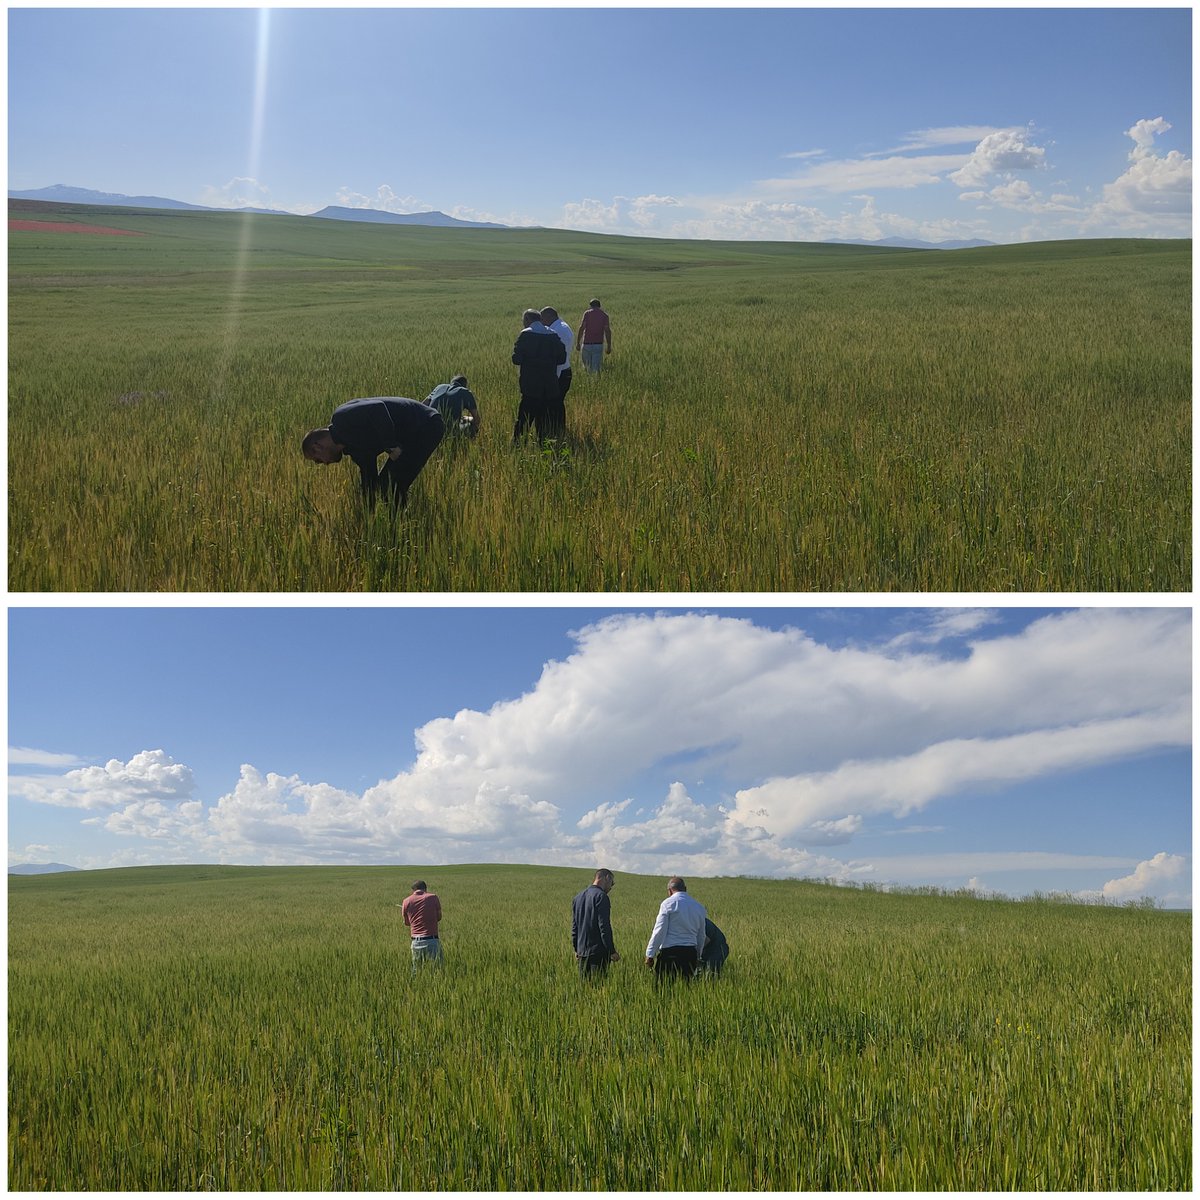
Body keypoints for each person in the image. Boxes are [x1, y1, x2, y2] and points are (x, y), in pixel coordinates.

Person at [302, 397, 445, 508]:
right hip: (411, 435)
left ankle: (399, 533)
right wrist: (366, 512)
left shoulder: (341, 418)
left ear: (317, 447)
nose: (325, 463)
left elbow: (378, 409)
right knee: (385, 485)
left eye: (318, 460)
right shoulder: (353, 449)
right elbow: (369, 480)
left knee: (389, 486)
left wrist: (390, 447)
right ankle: (396, 530)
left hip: (426, 425)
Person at [511, 308, 566, 442]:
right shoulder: (553, 335)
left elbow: (516, 359)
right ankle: (543, 444)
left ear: (527, 320)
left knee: (524, 418)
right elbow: (562, 359)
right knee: (544, 419)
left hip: (530, 385)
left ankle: (518, 444)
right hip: (549, 386)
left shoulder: (525, 335)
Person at [644, 876, 707, 981]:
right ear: (685, 889)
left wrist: (650, 954)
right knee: (686, 989)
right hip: (690, 953)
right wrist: (698, 956)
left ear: (669, 891)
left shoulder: (668, 904)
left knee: (663, 988)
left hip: (670, 954)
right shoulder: (699, 907)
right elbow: (701, 935)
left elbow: (659, 931)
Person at [571, 868, 620, 978]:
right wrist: (612, 951)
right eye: (611, 884)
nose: (610, 888)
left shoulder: (577, 898)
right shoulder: (601, 897)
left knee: (584, 989)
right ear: (606, 878)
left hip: (582, 953)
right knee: (598, 988)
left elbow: (575, 928)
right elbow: (604, 927)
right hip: (598, 954)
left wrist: (576, 949)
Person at [540, 306, 574, 433]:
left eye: (542, 319)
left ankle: (556, 429)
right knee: (556, 403)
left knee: (555, 403)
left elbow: (559, 357)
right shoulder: (560, 327)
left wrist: (553, 377)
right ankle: (556, 429)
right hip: (561, 371)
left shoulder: (560, 330)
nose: (542, 322)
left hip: (560, 373)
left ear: (549, 317)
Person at [402, 879, 443, 970]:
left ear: (413, 890)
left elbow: (406, 923)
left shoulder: (406, 901)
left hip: (416, 942)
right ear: (425, 889)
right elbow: (439, 917)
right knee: (437, 970)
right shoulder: (433, 897)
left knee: (416, 970)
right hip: (432, 940)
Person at [425, 375, 480, 439]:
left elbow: (423, 405)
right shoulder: (465, 392)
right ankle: (463, 443)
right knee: (472, 425)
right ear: (465, 385)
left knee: (462, 420)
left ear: (452, 382)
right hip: (448, 432)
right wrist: (469, 419)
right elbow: (477, 419)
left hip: (429, 428)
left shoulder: (439, 387)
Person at [576, 298, 612, 373]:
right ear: (599, 306)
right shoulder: (604, 315)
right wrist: (609, 345)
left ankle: (587, 383)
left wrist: (578, 343)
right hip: (598, 344)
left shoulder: (587, 313)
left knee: (586, 368)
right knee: (595, 369)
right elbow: (607, 331)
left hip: (586, 344)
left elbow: (582, 328)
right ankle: (595, 383)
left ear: (590, 306)